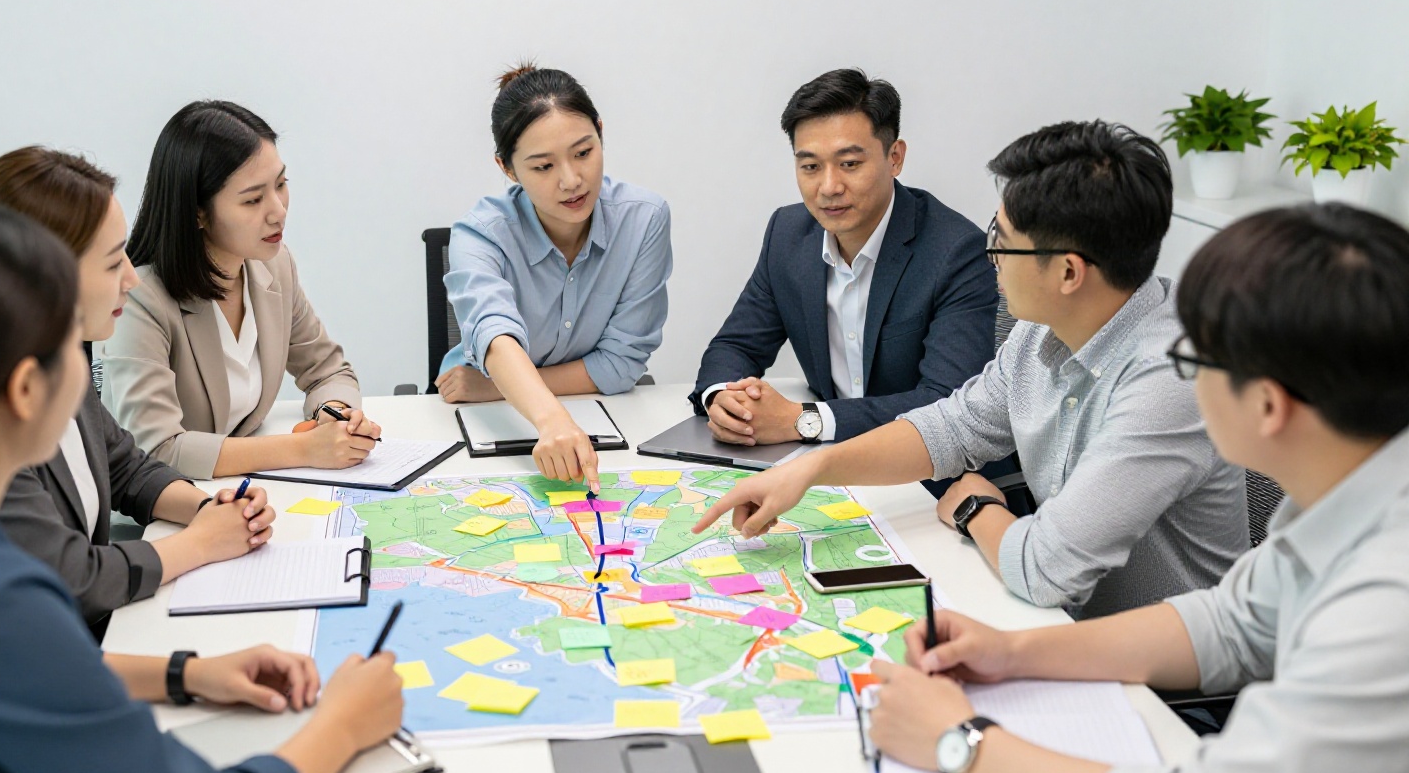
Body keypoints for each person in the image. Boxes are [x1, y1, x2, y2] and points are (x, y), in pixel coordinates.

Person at [0, 204, 404, 773]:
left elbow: (15, 678)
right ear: (25, 391)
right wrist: (343, 724)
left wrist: (184, 673)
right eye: (73, 341)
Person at [858, 204, 1409, 773]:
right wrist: (1013, 652)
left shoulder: (1385, 606)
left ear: (1266, 405)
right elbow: (1232, 625)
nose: (1182, 377)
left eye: (1194, 362)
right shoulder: (1342, 489)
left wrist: (962, 741)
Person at [695, 120, 1248, 618]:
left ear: (1069, 272)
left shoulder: (1172, 378)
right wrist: (811, 469)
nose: (990, 258)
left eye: (1003, 245)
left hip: (1168, 687)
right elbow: (952, 426)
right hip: (1064, 628)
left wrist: (975, 507)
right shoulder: (1041, 328)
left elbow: (1045, 568)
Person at [0, 146, 274, 635]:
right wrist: (201, 544)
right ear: (44, 279)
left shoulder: (60, 362)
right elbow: (73, 577)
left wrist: (208, 511)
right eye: (112, 264)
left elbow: (126, 466)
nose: (132, 278)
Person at [692, 68, 996, 448]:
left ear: (895, 158)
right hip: (828, 470)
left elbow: (948, 405)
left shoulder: (956, 251)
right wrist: (725, 400)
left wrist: (805, 421)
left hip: (927, 476)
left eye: (850, 164)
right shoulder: (788, 235)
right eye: (810, 166)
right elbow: (736, 347)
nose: (829, 187)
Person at [101, 100, 380, 480]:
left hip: (241, 492)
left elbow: (327, 370)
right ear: (198, 211)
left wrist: (336, 416)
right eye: (252, 199)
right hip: (162, 513)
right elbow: (158, 449)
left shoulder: (274, 266)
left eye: (281, 184)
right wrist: (302, 449)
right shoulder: (142, 300)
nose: (278, 210)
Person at [435, 64, 673, 489]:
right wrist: (551, 418)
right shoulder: (478, 235)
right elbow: (495, 336)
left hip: (590, 417)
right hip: (479, 423)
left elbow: (622, 364)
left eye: (584, 152)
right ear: (507, 169)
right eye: (543, 167)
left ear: (600, 132)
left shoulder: (644, 220)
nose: (572, 181)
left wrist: (492, 387)